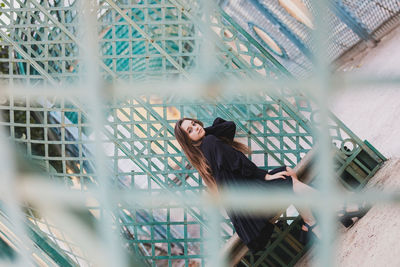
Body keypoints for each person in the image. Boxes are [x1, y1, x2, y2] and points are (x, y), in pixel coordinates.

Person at [174, 117, 321, 251]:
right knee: (288, 181)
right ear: (188, 141)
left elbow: (229, 126)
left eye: (194, 123)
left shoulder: (205, 148)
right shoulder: (210, 142)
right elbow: (239, 163)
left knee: (288, 172)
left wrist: (203, 131)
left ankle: (309, 224)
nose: (196, 127)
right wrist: (267, 176)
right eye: (190, 130)